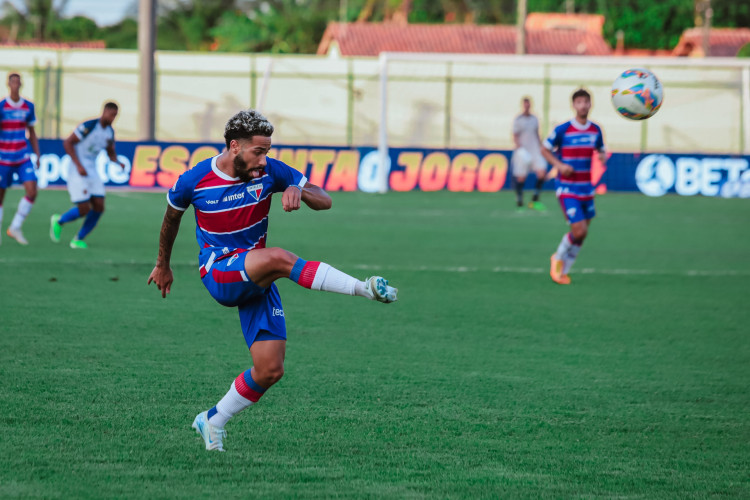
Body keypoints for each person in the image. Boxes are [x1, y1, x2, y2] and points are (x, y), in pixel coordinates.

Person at [147, 109, 398, 452]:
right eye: (258, 152)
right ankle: (363, 288)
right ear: (235, 147)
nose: (264, 161)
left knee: (269, 370)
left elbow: (325, 200)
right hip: (219, 270)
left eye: (267, 151)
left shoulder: (271, 170)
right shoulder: (194, 180)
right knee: (281, 258)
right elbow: (170, 220)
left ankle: (212, 420)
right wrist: (163, 265)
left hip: (256, 275)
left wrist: (298, 188)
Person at [541, 89, 606, 285]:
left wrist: (602, 155)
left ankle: (565, 270)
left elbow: (601, 149)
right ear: (573, 105)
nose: (583, 105)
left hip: (586, 188)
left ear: (590, 104)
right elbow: (544, 149)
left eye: (586, 102)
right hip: (567, 187)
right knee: (578, 231)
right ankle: (558, 258)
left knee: (584, 232)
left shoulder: (596, 130)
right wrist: (559, 165)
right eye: (579, 102)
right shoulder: (563, 129)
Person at [50, 102, 124, 249]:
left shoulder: (109, 132)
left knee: (99, 206)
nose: (113, 118)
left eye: (115, 115)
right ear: (104, 111)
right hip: (77, 169)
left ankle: (78, 239)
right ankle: (59, 221)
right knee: (84, 209)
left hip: (92, 170)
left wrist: (117, 162)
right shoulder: (89, 126)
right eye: (111, 114)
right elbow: (68, 143)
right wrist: (78, 165)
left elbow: (110, 152)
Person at [0, 72, 41, 245]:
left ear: (21, 84)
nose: (15, 84)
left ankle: (15, 227)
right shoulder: (2, 106)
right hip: (3, 158)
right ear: (8, 85)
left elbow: (31, 132)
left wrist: (37, 154)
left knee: (32, 191)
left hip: (22, 156)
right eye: (13, 82)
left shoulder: (28, 106)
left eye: (18, 81)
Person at [511, 96, 548, 212]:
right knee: (521, 177)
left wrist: (541, 146)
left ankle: (534, 200)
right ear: (523, 105)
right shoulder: (518, 120)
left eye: (528, 104)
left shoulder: (534, 119)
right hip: (523, 151)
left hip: (535, 150)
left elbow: (537, 134)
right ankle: (520, 200)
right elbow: (515, 135)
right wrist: (519, 149)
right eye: (525, 104)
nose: (527, 106)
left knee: (541, 173)